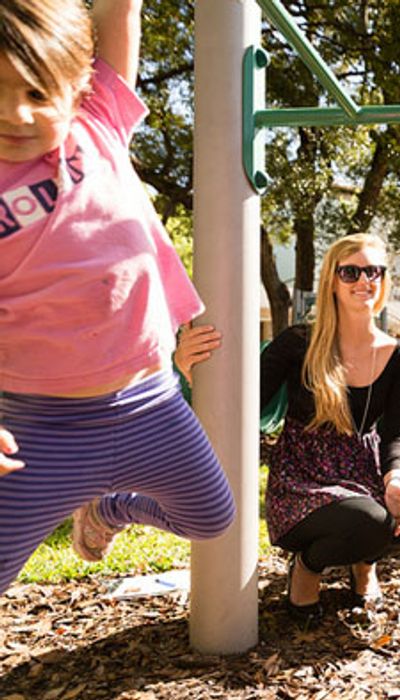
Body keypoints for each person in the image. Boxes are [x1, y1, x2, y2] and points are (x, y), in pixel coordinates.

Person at [0, 0, 234, 593]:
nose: (16, 113)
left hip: (149, 404)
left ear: (77, 83)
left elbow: (118, 10)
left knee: (211, 515)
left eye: (36, 91)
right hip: (41, 428)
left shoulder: (98, 120)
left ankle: (106, 510)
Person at [261, 234, 400, 622]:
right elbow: (241, 399)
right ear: (332, 279)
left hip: (365, 474)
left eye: (373, 272)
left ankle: (365, 560)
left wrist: (393, 481)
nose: (363, 281)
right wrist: (191, 369)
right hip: (303, 476)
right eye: (351, 272)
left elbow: (395, 435)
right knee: (370, 521)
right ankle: (307, 567)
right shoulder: (298, 343)